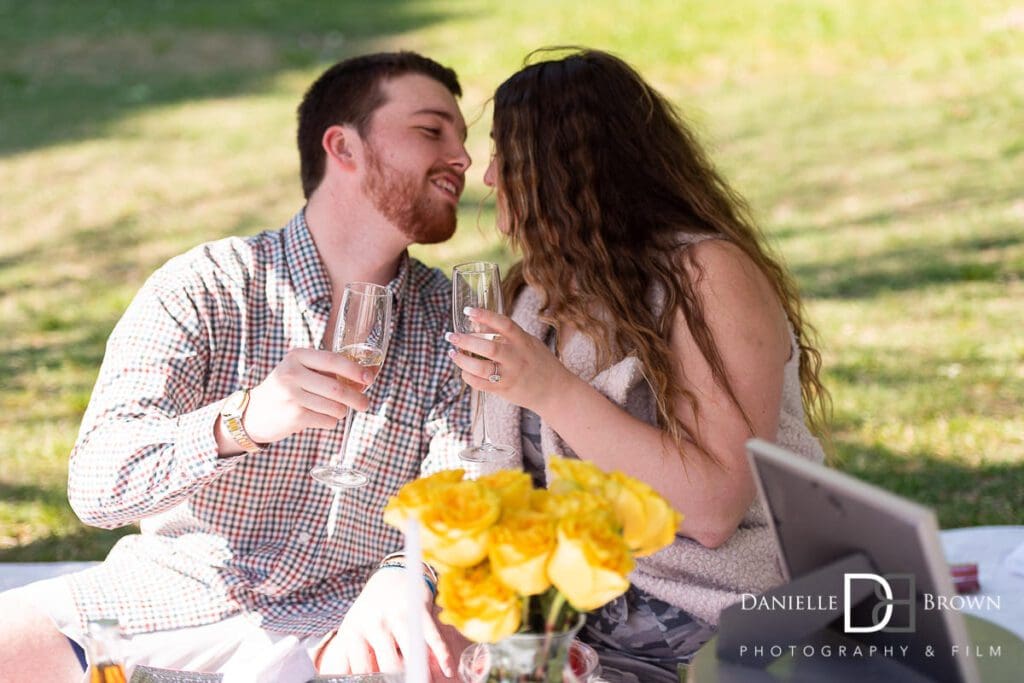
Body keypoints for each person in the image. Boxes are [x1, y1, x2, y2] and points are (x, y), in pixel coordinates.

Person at [0, 51, 474, 682]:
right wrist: (242, 421)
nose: (463, 158)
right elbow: (97, 485)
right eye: (431, 130)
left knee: (445, 657)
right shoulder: (205, 286)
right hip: (164, 603)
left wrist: (408, 571)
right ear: (344, 147)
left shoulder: (449, 316)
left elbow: (465, 483)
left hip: (341, 622)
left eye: (462, 138)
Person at [445, 48, 831, 683]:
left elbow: (713, 511)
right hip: (564, 631)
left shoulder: (705, 276)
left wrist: (550, 389)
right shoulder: (532, 294)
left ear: (570, 168)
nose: (489, 177)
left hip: (712, 628)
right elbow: (509, 491)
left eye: (506, 156)